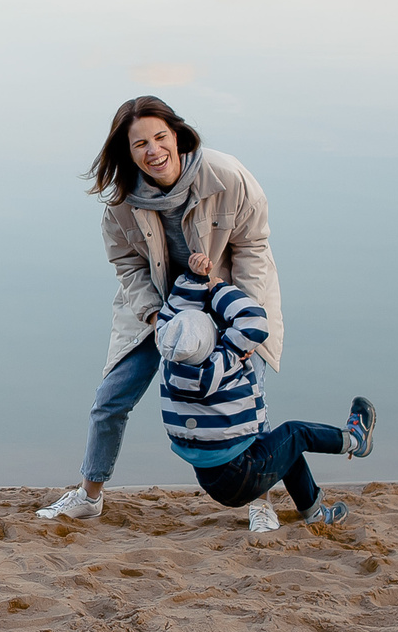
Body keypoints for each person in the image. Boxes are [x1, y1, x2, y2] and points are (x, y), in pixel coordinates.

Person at [36, 96, 285, 523]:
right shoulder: (120, 204)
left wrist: (242, 324)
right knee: (111, 400)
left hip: (229, 303)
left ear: (177, 135)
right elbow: (127, 265)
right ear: (127, 153)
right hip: (156, 309)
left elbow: (253, 250)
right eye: (140, 144)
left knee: (249, 399)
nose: (153, 151)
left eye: (160, 137)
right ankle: (89, 495)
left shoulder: (227, 176)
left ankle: (260, 504)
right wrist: (155, 316)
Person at [148, 265, 375, 532]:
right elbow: (254, 318)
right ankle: (355, 440)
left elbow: (170, 317)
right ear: (212, 345)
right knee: (295, 433)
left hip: (211, 479)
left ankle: (314, 512)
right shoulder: (223, 363)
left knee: (283, 449)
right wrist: (216, 287)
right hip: (240, 474)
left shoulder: (171, 365)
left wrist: (194, 279)